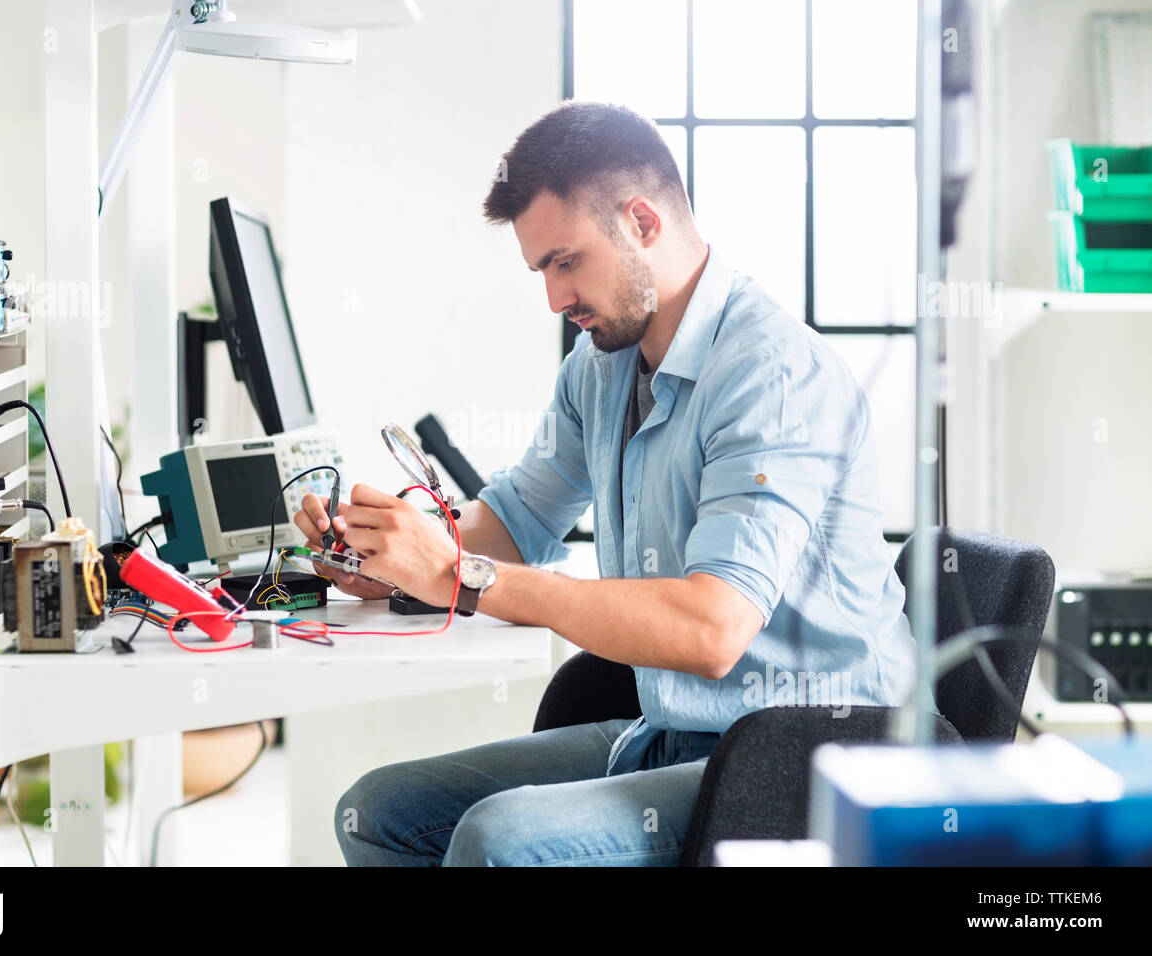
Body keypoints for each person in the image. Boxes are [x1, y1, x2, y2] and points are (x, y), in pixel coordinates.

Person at [293, 101, 929, 867]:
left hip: (807, 759)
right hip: (675, 733)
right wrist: (392, 556)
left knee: (497, 845)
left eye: (566, 262)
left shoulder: (773, 375)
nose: (556, 301)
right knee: (378, 812)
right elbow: (516, 519)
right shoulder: (602, 368)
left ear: (642, 222)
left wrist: (460, 576)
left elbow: (711, 629)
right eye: (542, 272)